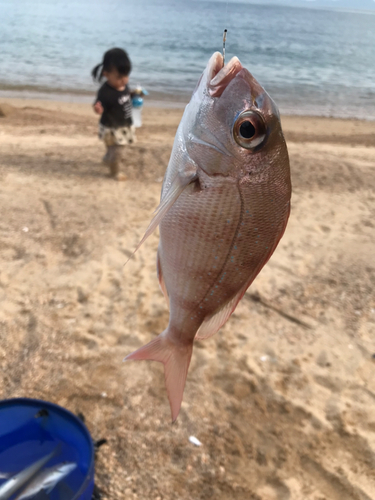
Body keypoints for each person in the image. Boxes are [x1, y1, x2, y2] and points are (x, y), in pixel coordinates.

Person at [92, 48, 135, 181]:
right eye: (119, 77)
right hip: (111, 127)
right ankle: (115, 171)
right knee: (118, 151)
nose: (124, 80)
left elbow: (125, 96)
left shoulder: (124, 86)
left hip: (124, 124)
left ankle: (107, 158)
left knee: (113, 149)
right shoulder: (105, 92)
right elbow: (99, 105)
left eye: (126, 76)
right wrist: (98, 109)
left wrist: (133, 95)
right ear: (106, 74)